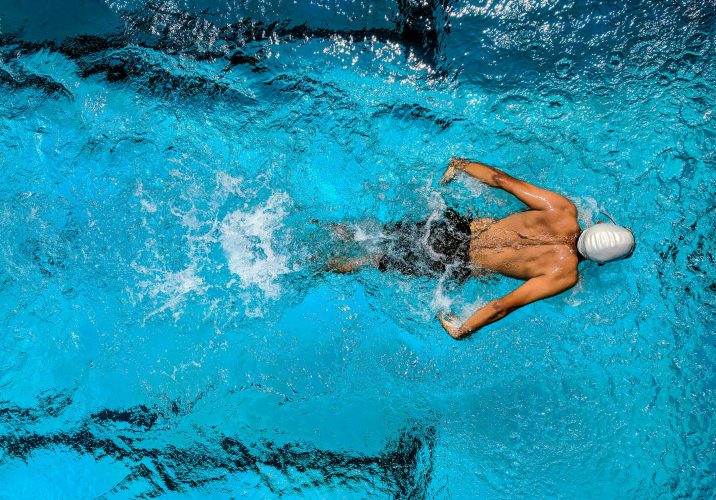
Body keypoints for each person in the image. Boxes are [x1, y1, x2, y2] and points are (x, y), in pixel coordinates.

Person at [327, 158, 635, 339]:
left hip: (453, 227)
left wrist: (461, 165)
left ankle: (327, 227)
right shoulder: (564, 274)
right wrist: (463, 329)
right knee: (372, 261)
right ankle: (316, 265)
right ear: (601, 262)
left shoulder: (562, 210)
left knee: (372, 233)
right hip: (455, 263)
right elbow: (503, 306)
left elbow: (501, 180)